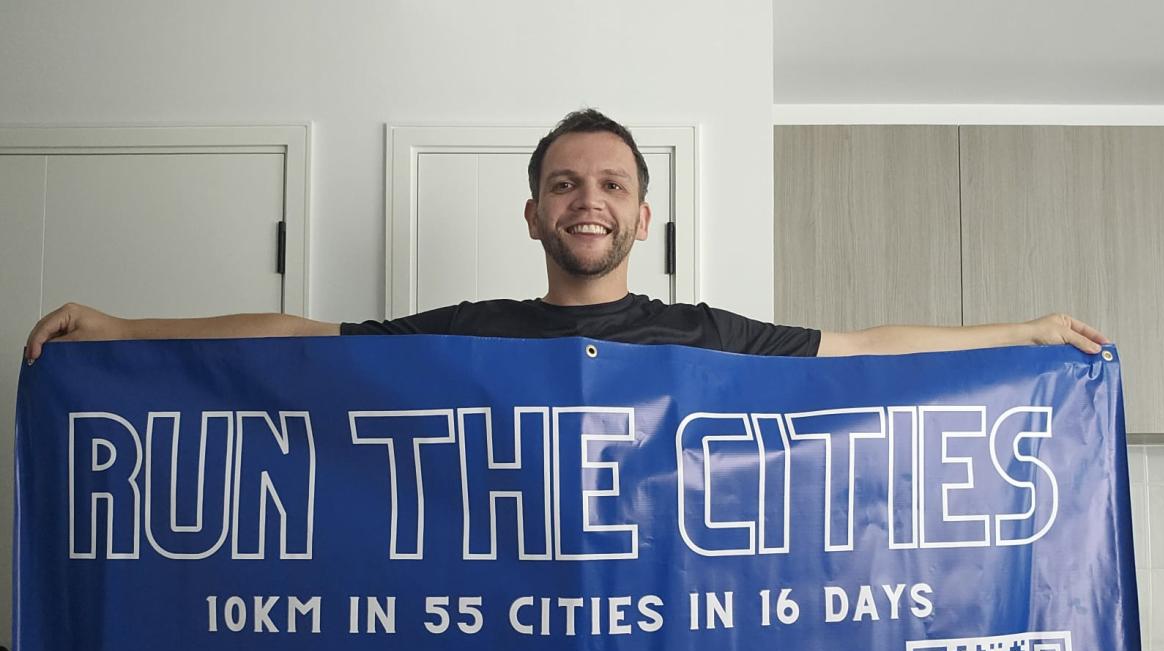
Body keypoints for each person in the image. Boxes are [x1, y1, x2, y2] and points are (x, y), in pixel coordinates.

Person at [23, 109, 1106, 362]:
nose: (587, 200)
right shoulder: (472, 331)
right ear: (535, 213)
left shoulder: (702, 337)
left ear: (643, 216)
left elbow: (862, 350)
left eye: (611, 184)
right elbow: (305, 337)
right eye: (562, 183)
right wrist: (121, 329)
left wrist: (1029, 332)